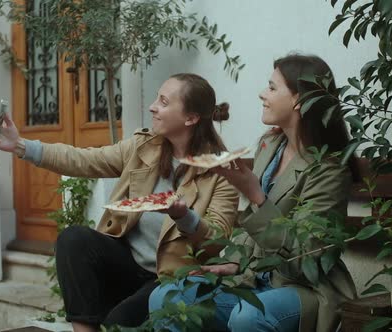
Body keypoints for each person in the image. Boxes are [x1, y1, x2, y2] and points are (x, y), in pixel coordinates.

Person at [0, 73, 239, 332]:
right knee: (74, 239)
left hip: (170, 279)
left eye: (163, 102)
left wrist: (183, 216)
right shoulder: (144, 146)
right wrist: (20, 145)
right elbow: (84, 159)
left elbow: (216, 240)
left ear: (191, 118)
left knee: (118, 322)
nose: (153, 106)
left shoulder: (222, 172)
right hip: (127, 264)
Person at [149, 54, 359, 332]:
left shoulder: (329, 170)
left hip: (303, 288)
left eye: (272, 87)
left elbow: (306, 260)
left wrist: (256, 196)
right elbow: (252, 233)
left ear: (299, 100)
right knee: (166, 297)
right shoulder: (269, 145)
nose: (262, 94)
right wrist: (235, 261)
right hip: (254, 280)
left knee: (249, 316)